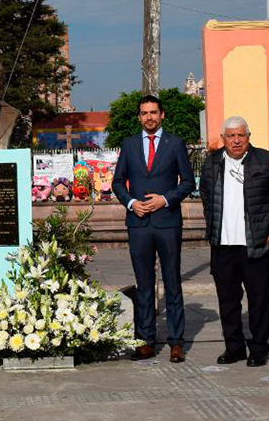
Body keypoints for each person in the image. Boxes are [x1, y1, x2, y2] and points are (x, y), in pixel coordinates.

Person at [198, 116, 269, 367]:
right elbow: (206, 196)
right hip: (223, 245)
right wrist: (214, 228)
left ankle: (258, 347)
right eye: (231, 136)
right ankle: (234, 346)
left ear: (249, 136)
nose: (236, 140)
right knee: (227, 301)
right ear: (223, 139)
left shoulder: (266, 161)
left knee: (259, 300)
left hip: (257, 244)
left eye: (241, 135)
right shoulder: (212, 163)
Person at [112, 94, 196, 363]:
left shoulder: (175, 144)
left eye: (153, 112)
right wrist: (132, 202)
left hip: (167, 221)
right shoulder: (129, 144)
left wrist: (165, 198)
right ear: (139, 117)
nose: (149, 117)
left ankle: (175, 342)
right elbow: (117, 182)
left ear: (162, 115)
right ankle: (145, 340)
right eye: (144, 113)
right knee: (144, 285)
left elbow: (188, 182)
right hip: (138, 224)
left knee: (172, 283)